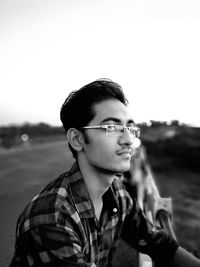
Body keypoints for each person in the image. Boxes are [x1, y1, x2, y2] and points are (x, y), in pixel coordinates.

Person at [10, 79, 200, 267]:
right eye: (112, 127)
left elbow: (160, 244)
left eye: (130, 128)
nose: (128, 140)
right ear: (77, 139)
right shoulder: (51, 218)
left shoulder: (117, 194)